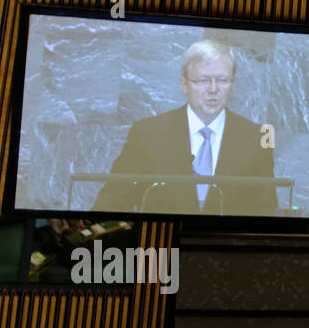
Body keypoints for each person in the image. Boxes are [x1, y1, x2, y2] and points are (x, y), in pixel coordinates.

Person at [94, 40, 276, 216]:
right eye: (203, 80)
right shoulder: (148, 134)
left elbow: (266, 214)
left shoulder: (256, 138)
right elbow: (110, 205)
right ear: (184, 85)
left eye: (222, 80)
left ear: (233, 84)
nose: (213, 89)